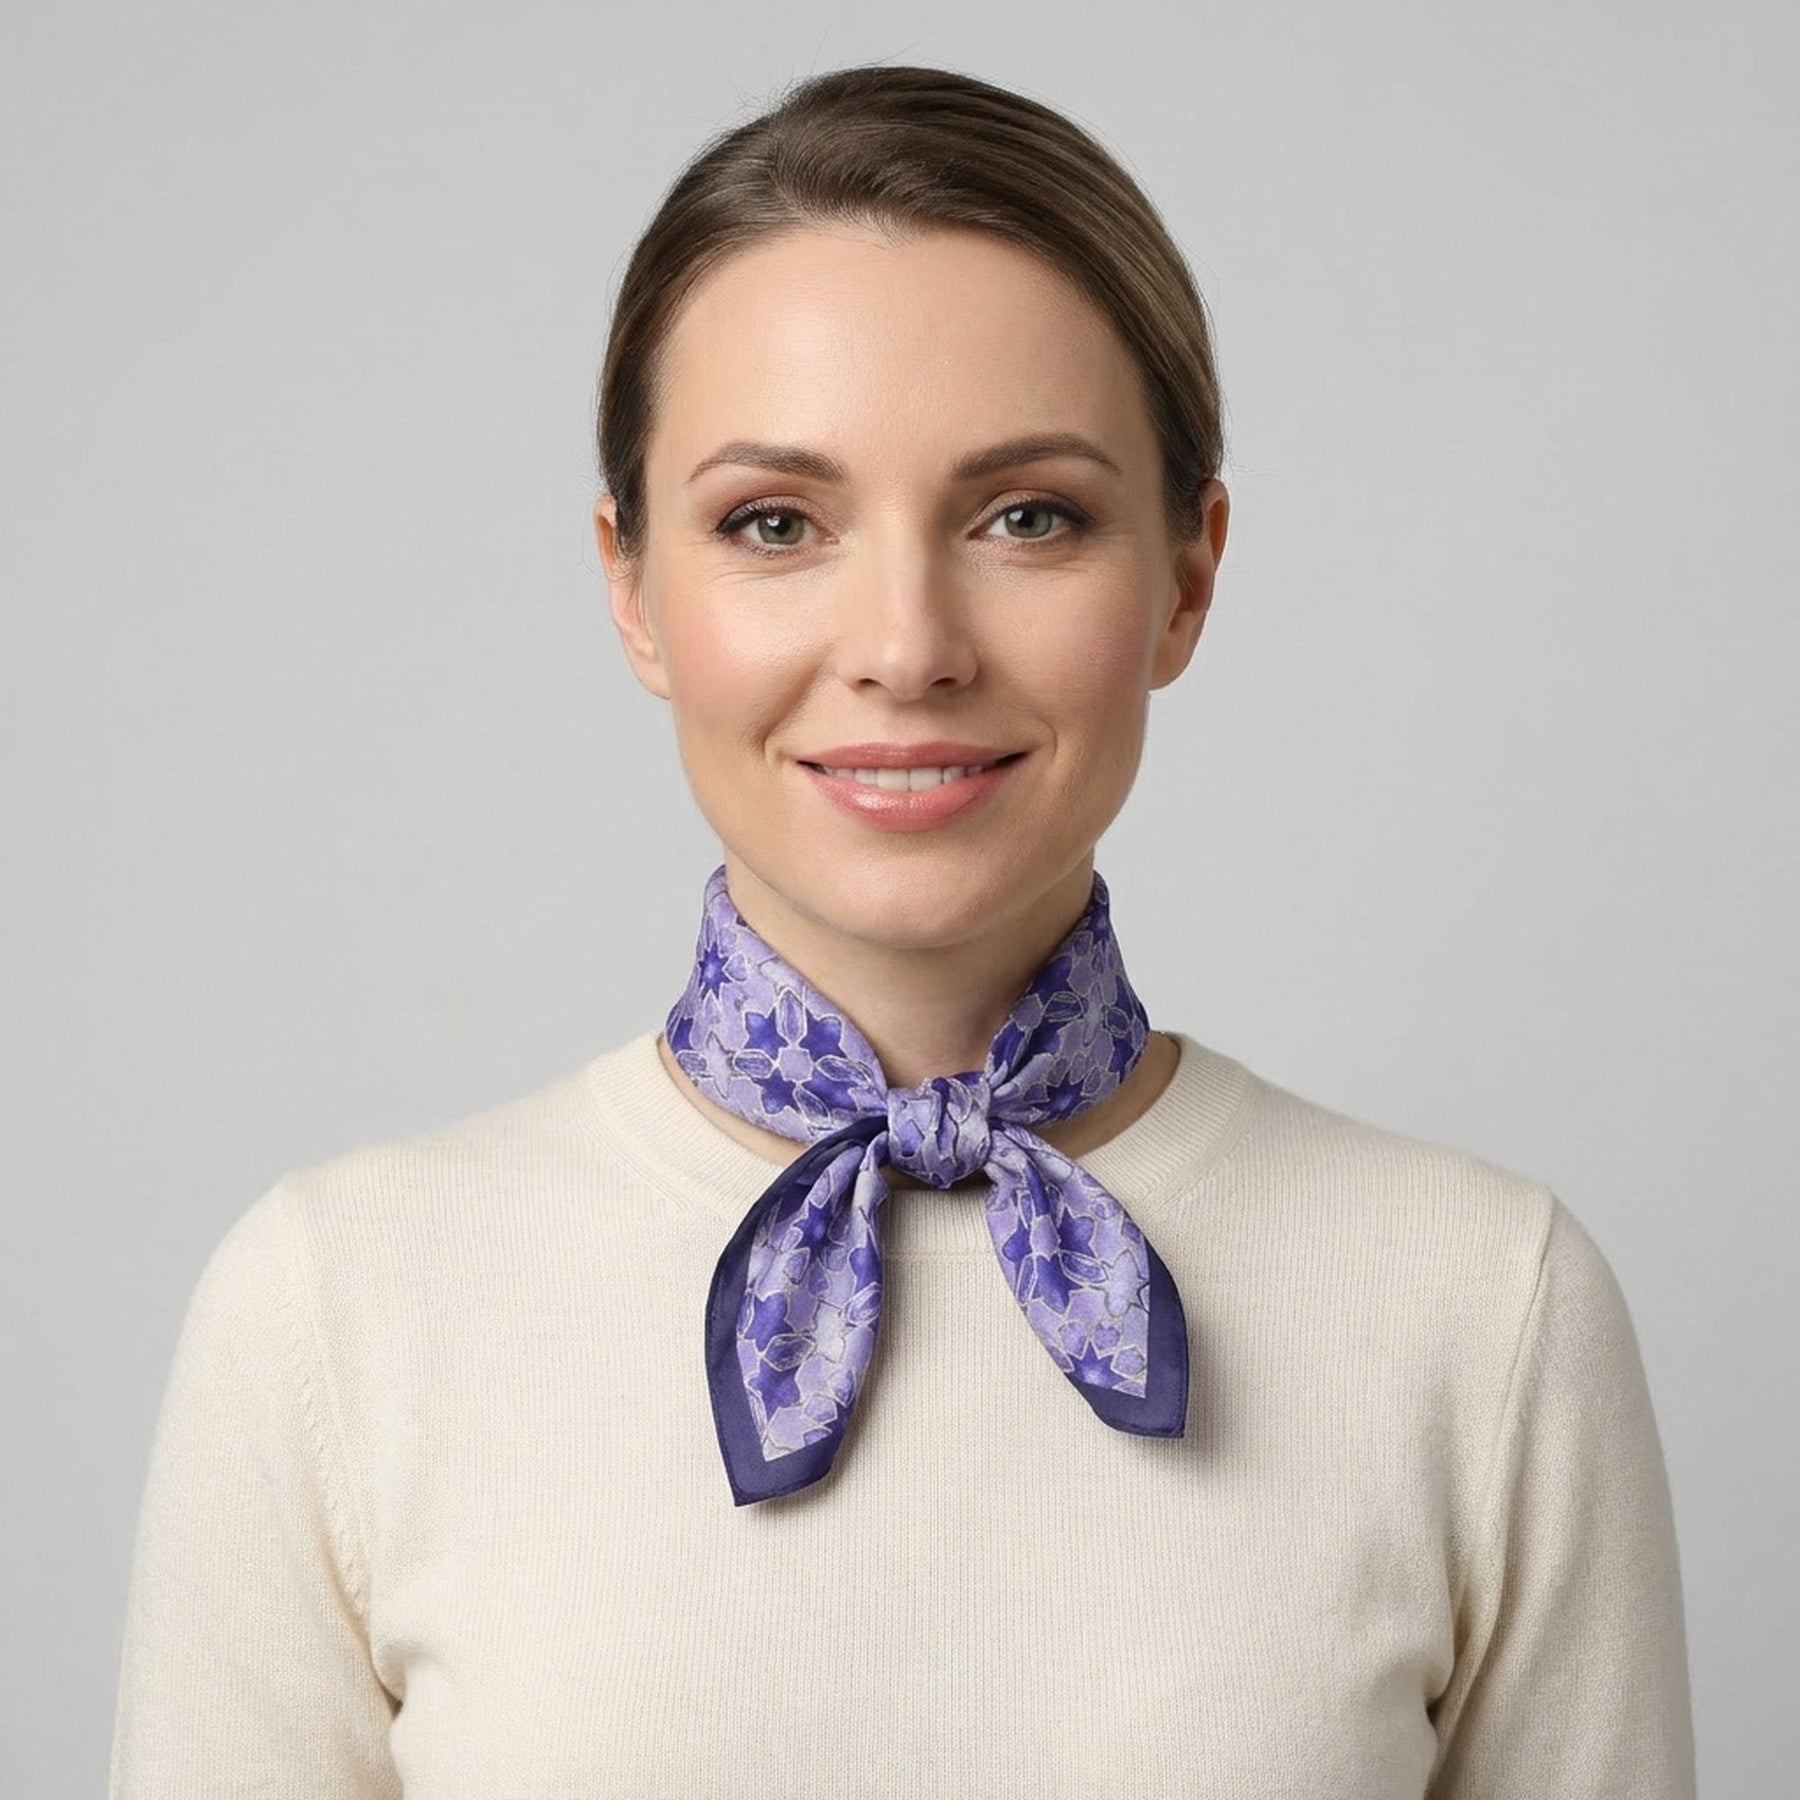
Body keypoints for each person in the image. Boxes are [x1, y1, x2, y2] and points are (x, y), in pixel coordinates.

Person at [108, 62, 1696, 1798]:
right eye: (775, 524)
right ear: (633, 588)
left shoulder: (1483, 1305)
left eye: (1029, 517)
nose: (906, 647)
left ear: (1186, 575)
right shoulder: (338, 1310)